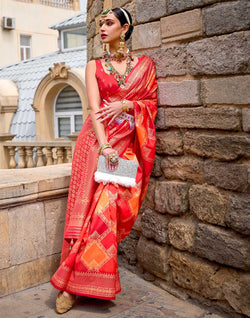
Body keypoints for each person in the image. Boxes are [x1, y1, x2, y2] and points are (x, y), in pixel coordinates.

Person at [50, 7, 158, 314]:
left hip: (129, 146)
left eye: (108, 23)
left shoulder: (145, 66)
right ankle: (72, 285)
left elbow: (150, 104)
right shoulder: (94, 66)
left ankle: (78, 280)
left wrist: (125, 104)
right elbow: (94, 111)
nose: (102, 28)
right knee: (86, 213)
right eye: (100, 23)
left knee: (107, 207)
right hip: (97, 145)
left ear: (124, 28)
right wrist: (105, 146)